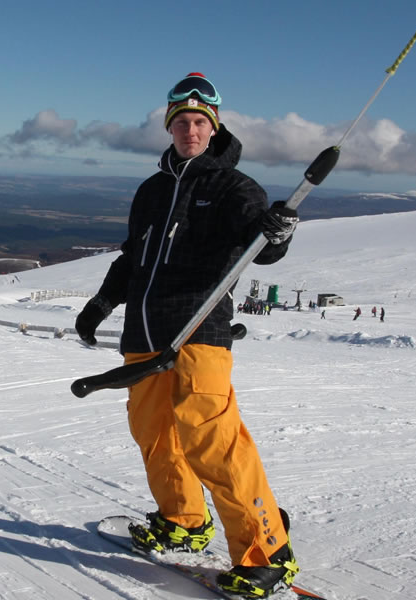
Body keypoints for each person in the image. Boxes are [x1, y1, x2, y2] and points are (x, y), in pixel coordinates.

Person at [74, 73, 300, 598]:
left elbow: (259, 248)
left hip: (199, 330)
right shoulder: (151, 191)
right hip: (145, 333)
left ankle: (268, 552)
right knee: (154, 435)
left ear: (213, 127)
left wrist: (278, 234)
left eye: (200, 122)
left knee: (214, 444)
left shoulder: (234, 189)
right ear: (169, 127)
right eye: (181, 123)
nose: (190, 131)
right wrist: (102, 303)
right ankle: (184, 520)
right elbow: (134, 257)